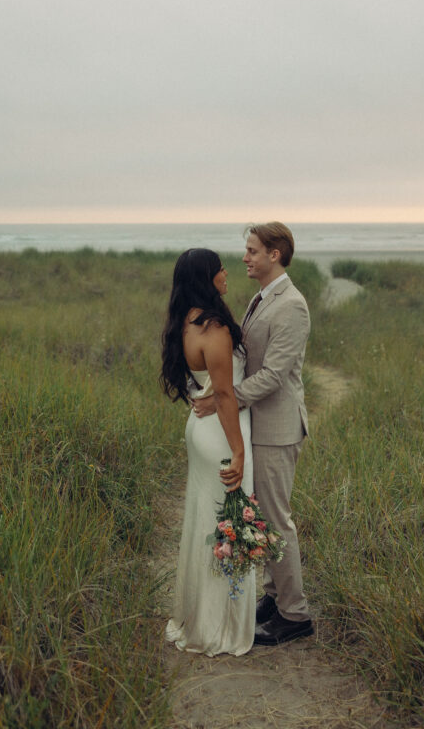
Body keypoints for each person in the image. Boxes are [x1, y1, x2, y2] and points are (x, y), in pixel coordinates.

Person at [193, 222, 313, 646]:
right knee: (262, 517)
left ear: (274, 254)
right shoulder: (263, 298)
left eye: (252, 250)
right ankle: (274, 596)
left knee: (278, 521)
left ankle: (295, 615)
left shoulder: (291, 305)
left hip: (278, 428)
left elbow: (276, 376)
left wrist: (225, 400)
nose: (244, 257)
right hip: (257, 425)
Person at [160, 248, 255, 656]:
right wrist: (238, 452)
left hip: (201, 427)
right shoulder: (213, 328)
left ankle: (203, 614)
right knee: (226, 523)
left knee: (206, 520)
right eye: (219, 269)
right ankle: (219, 624)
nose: (226, 273)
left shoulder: (186, 322)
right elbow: (225, 394)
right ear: (206, 277)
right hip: (220, 432)